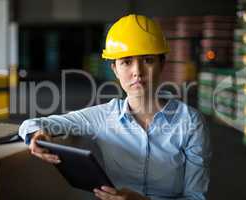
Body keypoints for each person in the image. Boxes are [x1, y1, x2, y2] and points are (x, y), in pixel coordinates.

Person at [19, 14, 211, 200]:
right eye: (126, 62)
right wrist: (36, 135)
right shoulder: (104, 117)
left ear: (162, 64)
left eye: (148, 60)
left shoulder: (189, 122)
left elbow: (196, 197)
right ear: (115, 70)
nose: (137, 72)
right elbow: (33, 123)